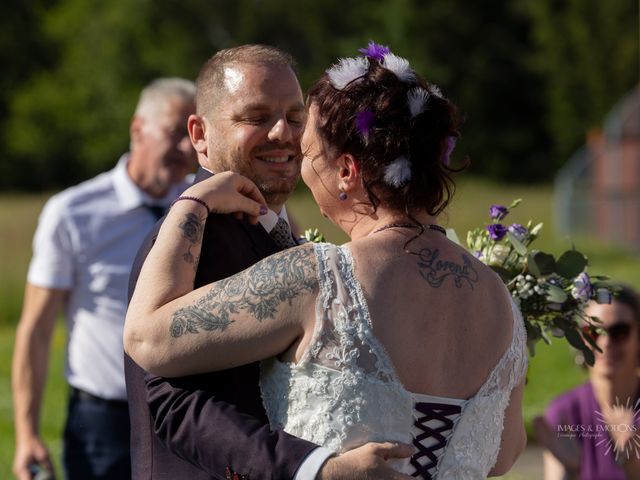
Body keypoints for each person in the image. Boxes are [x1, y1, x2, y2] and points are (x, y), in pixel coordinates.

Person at [124, 43, 528, 479]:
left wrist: (191, 203)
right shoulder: (499, 298)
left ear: (347, 172)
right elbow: (503, 454)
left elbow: (146, 338)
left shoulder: (319, 275)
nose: (289, 140)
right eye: (257, 117)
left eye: (303, 132)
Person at [11, 77, 197, 480]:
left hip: (186, 412)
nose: (186, 148)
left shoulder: (203, 206)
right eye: (173, 132)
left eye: (193, 133)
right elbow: (37, 330)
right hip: (103, 423)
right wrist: (27, 433)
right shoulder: (74, 212)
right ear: (137, 129)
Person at [535, 285, 640, 480]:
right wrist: (570, 471)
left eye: (619, 331)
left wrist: (632, 465)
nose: (605, 343)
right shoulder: (565, 412)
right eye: (593, 332)